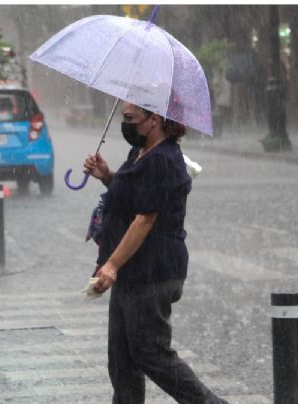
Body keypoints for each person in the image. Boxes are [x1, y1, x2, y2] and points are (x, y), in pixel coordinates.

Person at [84, 101, 228, 404]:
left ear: (154, 119)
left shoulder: (162, 160)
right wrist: (107, 175)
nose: (125, 125)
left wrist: (111, 265)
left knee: (151, 353)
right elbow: (130, 198)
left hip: (154, 271)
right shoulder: (140, 153)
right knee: (121, 359)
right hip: (132, 270)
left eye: (130, 118)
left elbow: (145, 218)